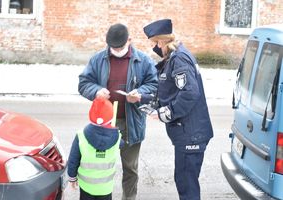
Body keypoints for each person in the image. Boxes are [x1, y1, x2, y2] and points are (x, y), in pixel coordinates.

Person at [78, 23, 158, 200]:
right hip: (104, 124)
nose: (116, 50)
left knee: (130, 168)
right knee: (101, 167)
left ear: (129, 40)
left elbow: (154, 85)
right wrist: (96, 91)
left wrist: (140, 94)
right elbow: (83, 83)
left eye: (120, 47)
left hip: (131, 122)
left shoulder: (143, 61)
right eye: (113, 47)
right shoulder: (98, 59)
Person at [139, 19, 214, 200]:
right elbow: (171, 92)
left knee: (187, 185)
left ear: (163, 40)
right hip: (186, 132)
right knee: (184, 180)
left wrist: (166, 114)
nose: (155, 48)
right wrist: (143, 98)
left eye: (156, 43)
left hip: (191, 133)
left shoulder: (179, 58)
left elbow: (190, 92)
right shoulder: (174, 58)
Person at [67, 97, 122, 200]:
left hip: (86, 186)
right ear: (111, 117)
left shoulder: (81, 135)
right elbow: (121, 144)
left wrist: (72, 177)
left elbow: (73, 159)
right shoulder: (117, 137)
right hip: (106, 188)